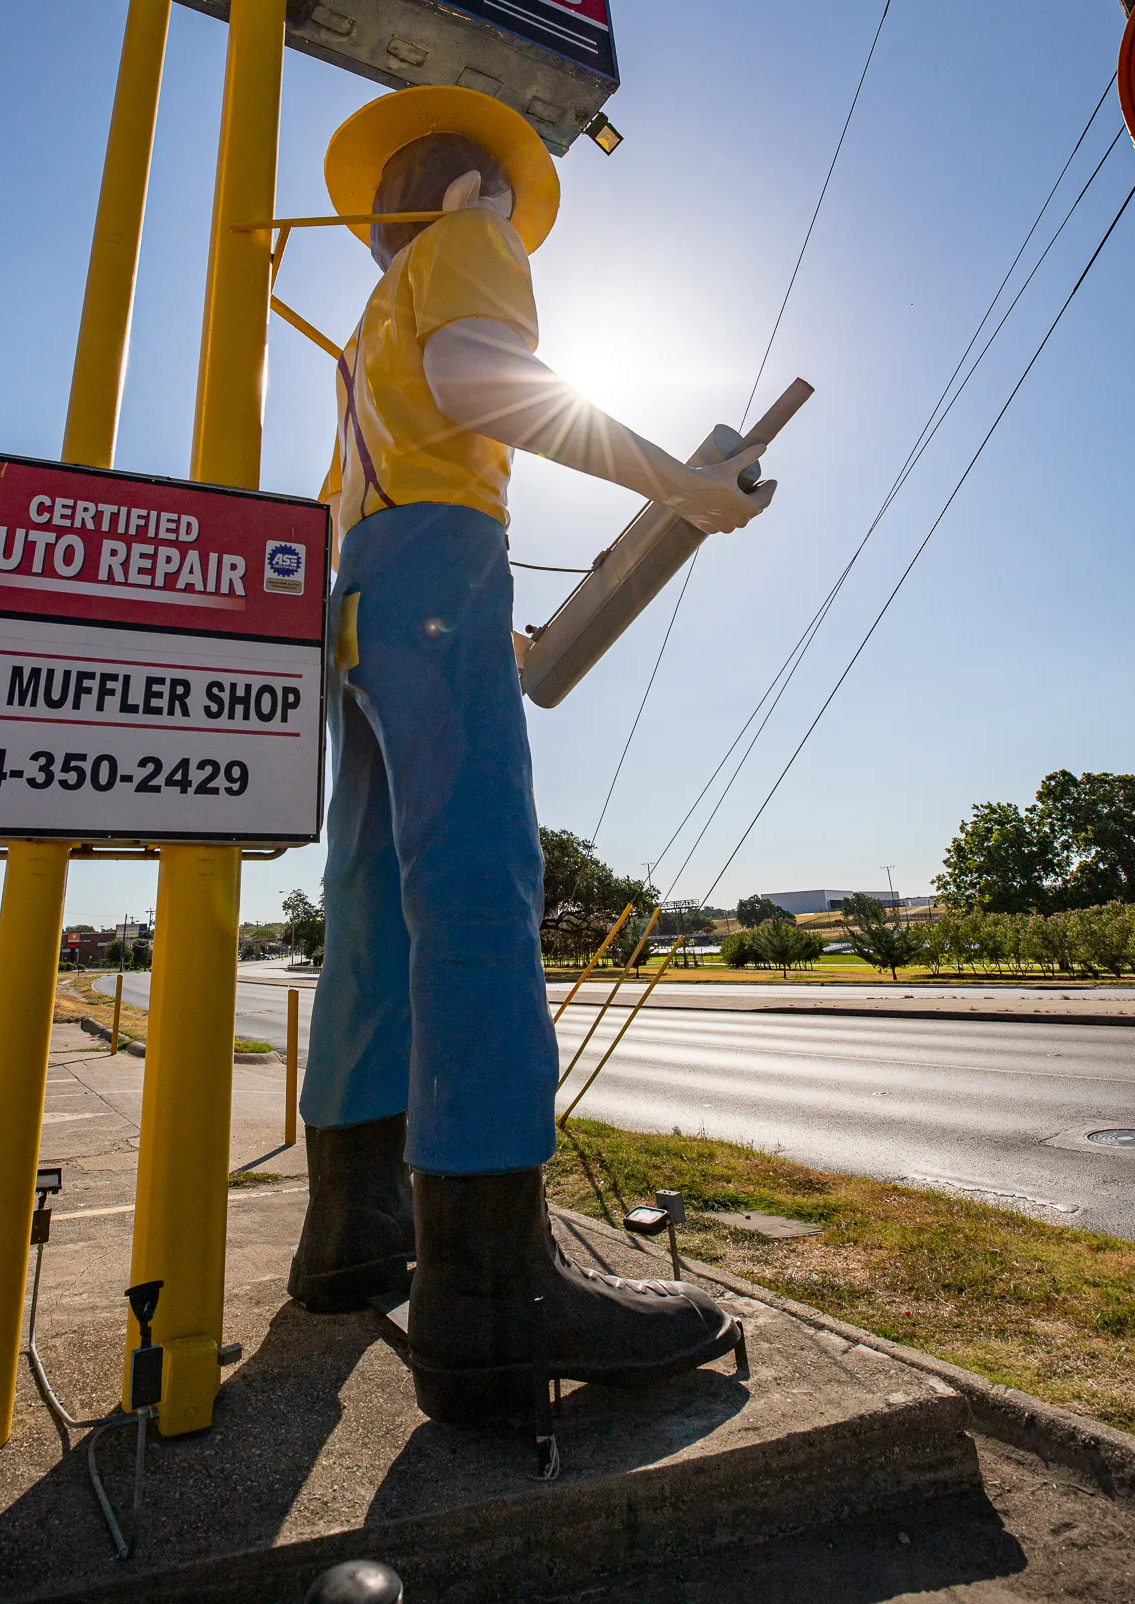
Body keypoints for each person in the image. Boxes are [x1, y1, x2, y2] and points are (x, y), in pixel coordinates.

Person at [291, 86, 774, 1424]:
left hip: (361, 600)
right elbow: (480, 385)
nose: (513, 219)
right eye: (503, 197)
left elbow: (404, 446)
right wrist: (681, 485)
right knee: (482, 906)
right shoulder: (474, 241)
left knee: (371, 919)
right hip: (440, 567)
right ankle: (494, 1297)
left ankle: (351, 1237)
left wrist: (457, 633)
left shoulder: (363, 325)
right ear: (467, 196)